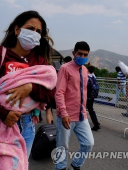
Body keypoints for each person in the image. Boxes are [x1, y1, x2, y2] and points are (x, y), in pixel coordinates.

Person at [0, 10, 56, 159]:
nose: (35, 33)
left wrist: (31, 88)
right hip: (0, 122)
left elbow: (51, 94)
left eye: (38, 31)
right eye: (31, 29)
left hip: (27, 125)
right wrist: (3, 114)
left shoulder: (40, 61)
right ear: (17, 29)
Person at [55, 41, 94, 170]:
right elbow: (59, 92)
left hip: (81, 115)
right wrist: (64, 113)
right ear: (74, 53)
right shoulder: (65, 68)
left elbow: (83, 92)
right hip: (66, 116)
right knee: (62, 146)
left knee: (88, 143)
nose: (82, 57)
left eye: (85, 55)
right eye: (80, 54)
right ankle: (60, 167)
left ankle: (75, 165)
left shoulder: (85, 70)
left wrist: (84, 110)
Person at [87, 66, 100, 131]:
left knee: (88, 109)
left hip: (87, 96)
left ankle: (96, 124)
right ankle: (96, 123)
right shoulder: (93, 76)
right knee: (91, 109)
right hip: (92, 96)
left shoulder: (87, 77)